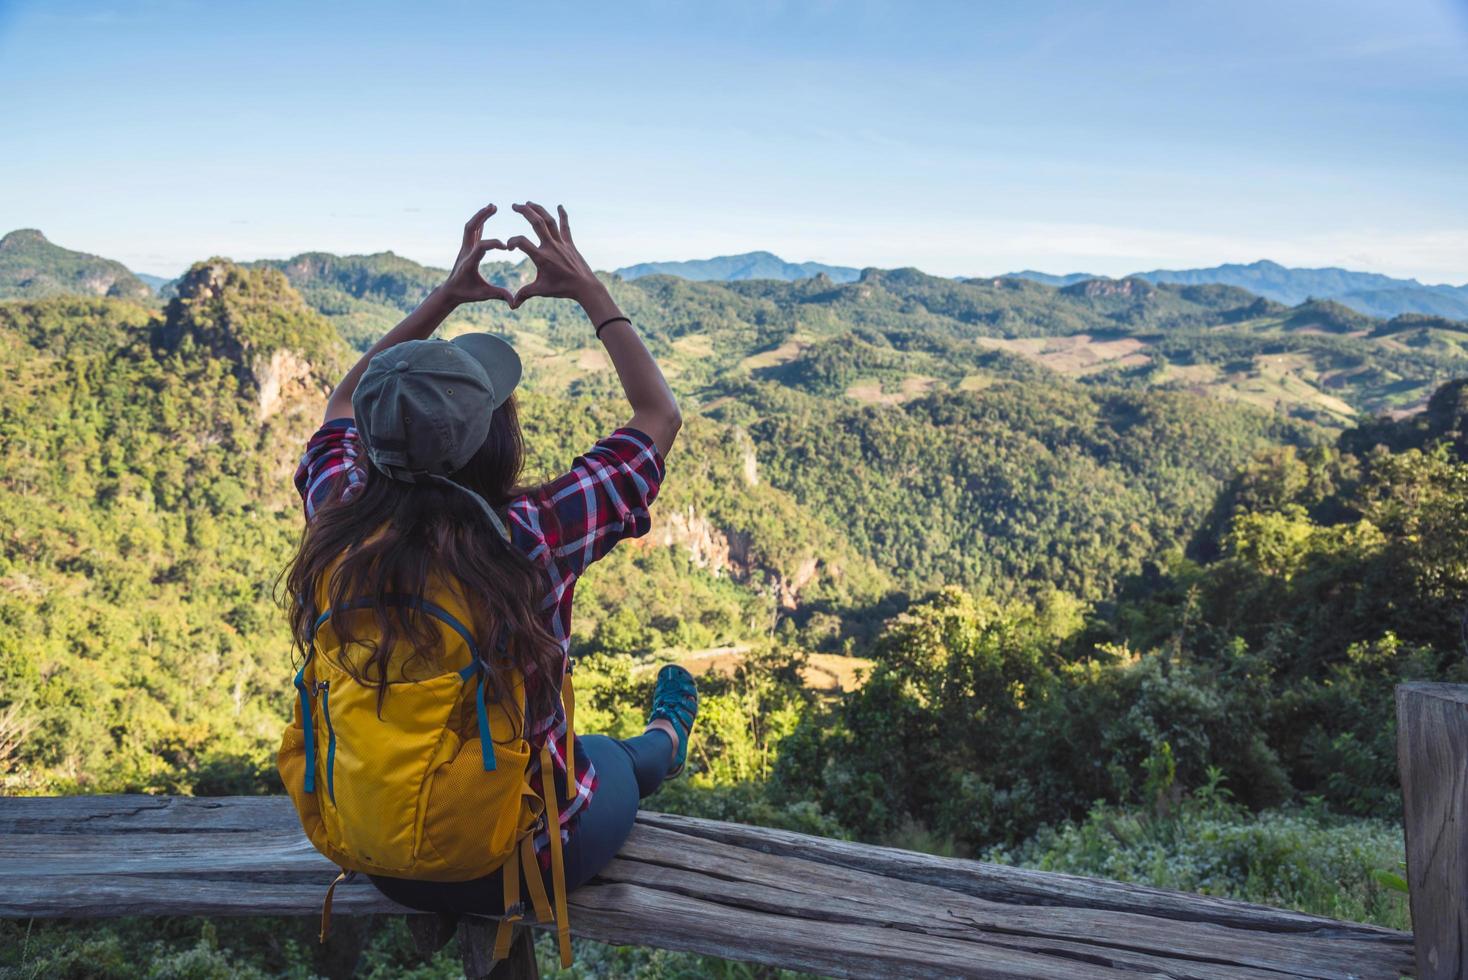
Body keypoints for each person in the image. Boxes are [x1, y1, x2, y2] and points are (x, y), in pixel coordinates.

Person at [282, 201, 698, 933]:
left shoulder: (337, 517)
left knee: (588, 759)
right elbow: (657, 415)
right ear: (493, 442)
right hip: (522, 857)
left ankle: (656, 740)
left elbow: (341, 400)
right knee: (611, 760)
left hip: (372, 852)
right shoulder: (531, 535)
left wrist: (441, 297)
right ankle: (669, 733)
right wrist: (590, 291)